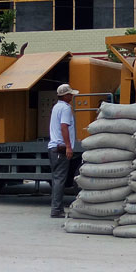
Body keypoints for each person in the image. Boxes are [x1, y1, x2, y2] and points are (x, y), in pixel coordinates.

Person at [47, 83, 79, 218]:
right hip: (60, 148)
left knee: (56, 179)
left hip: (53, 148)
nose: (71, 96)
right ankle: (56, 210)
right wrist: (68, 146)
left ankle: (56, 208)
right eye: (70, 94)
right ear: (65, 96)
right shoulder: (65, 109)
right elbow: (64, 127)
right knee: (60, 179)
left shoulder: (56, 107)